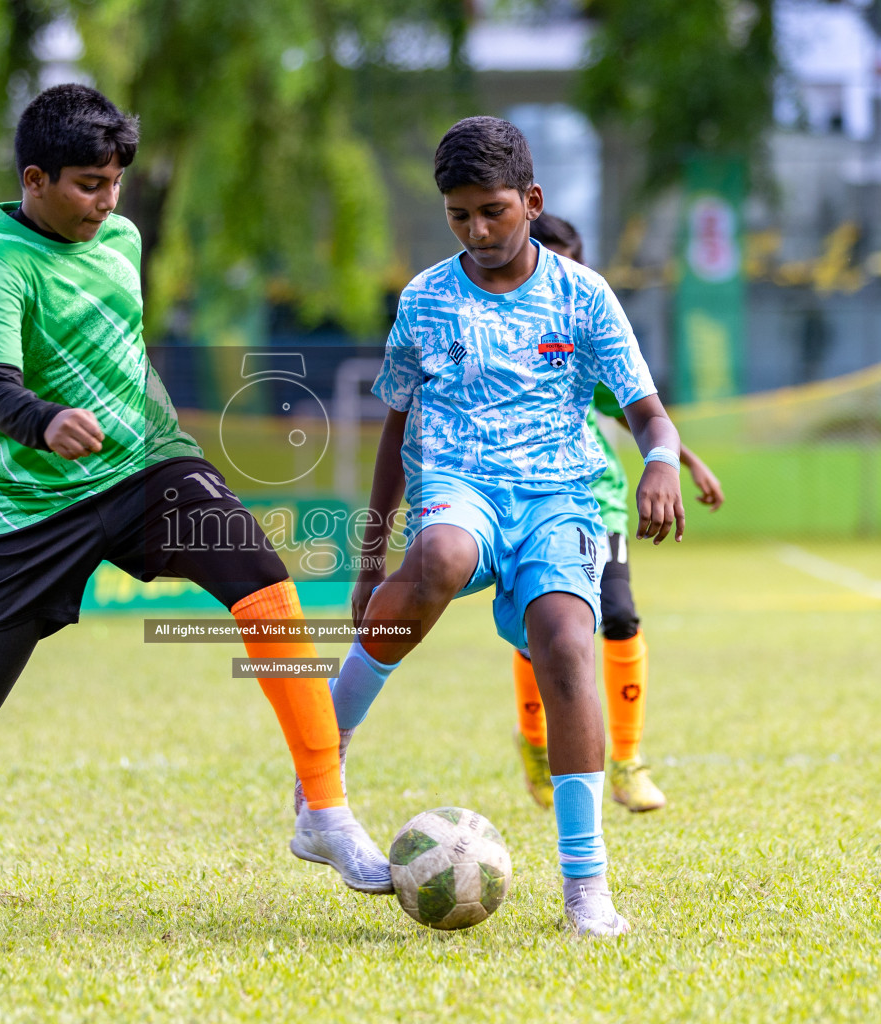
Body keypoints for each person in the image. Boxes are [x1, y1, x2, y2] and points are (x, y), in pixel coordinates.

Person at [0, 84, 388, 929]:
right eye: (86, 185)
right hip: (38, 504)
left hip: (148, 467)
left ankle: (324, 813)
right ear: (34, 179)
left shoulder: (121, 236)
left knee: (264, 579)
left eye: (114, 184)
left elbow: (122, 348)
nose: (105, 202)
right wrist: (46, 421)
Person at [321, 117, 686, 937]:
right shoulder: (424, 299)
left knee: (564, 644)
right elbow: (393, 431)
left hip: (561, 501)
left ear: (532, 201)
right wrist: (371, 555)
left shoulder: (584, 297)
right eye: (458, 215)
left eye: (492, 211)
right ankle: (323, 769)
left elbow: (650, 417)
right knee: (444, 551)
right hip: (458, 486)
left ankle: (586, 887)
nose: (477, 231)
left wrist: (662, 462)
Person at [511, 214, 725, 815]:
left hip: (596, 502)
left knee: (621, 617)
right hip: (522, 503)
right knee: (540, 639)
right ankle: (535, 744)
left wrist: (689, 462)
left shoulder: (584, 337)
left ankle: (627, 760)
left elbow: (641, 409)